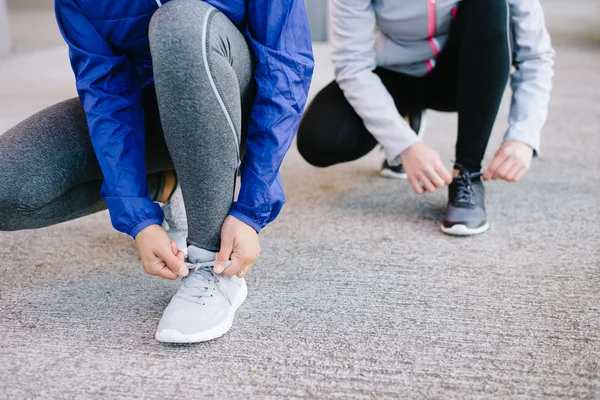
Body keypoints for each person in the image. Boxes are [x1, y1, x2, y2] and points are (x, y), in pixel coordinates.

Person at [0, 0, 313, 343]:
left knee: (178, 22)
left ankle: (212, 264)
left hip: (233, 104)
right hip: (152, 111)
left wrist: (252, 207)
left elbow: (286, 66)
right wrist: (138, 217)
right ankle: (166, 184)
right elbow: (106, 96)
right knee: (7, 185)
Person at [297, 0, 554, 236]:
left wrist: (524, 136)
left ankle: (467, 174)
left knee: (490, 4)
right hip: (392, 74)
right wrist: (404, 145)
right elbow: (353, 65)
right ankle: (407, 120)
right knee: (320, 141)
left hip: (462, 76)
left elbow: (535, 55)